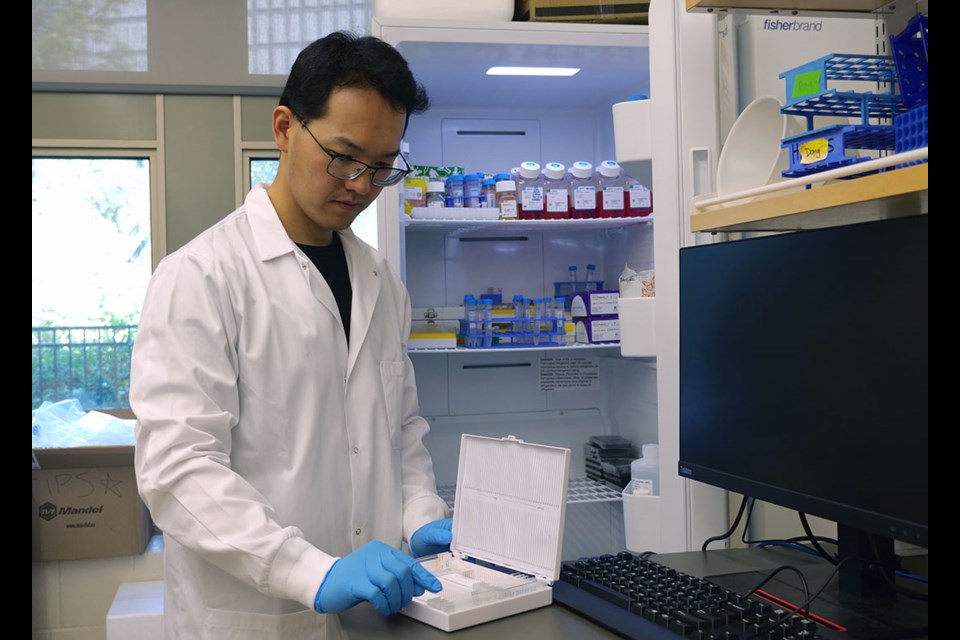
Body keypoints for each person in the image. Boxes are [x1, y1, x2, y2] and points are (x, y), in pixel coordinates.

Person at [130, 31, 453, 640]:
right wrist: (309, 570)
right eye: (344, 156)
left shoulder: (381, 281)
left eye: (382, 167)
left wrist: (421, 516)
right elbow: (178, 471)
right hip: (256, 622)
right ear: (284, 127)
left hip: (378, 618)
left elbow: (401, 433)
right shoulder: (200, 277)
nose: (361, 183)